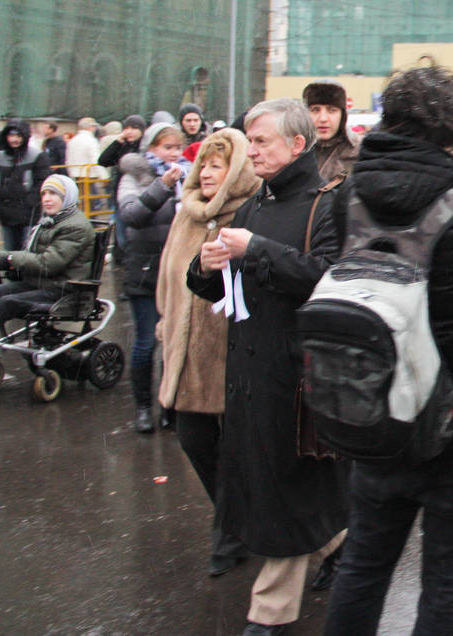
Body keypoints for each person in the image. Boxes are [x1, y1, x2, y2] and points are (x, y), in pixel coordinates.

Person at [322, 66, 453, 636]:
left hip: (375, 425)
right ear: (452, 135)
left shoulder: (345, 203)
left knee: (360, 570)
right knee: (448, 589)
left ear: (387, 121)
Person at [187, 98, 348, 636]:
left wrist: (254, 250)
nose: (249, 151)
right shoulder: (254, 203)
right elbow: (223, 286)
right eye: (249, 141)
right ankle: (340, 540)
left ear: (297, 145)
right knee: (276, 481)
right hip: (249, 375)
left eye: (261, 142)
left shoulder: (327, 203)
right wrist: (206, 266)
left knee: (285, 486)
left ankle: (270, 611)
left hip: (298, 376)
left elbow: (329, 275)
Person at [157, 128, 261, 575]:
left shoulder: (252, 211)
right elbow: (167, 275)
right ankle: (234, 521)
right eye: (203, 165)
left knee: (241, 446)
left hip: (232, 349)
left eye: (217, 165)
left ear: (235, 170)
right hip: (187, 353)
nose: (207, 173)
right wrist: (166, 322)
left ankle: (231, 532)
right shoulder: (187, 214)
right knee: (194, 438)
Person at [0, 175, 94, 378]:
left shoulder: (76, 226)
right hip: (43, 284)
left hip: (64, 290)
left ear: (67, 197)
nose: (47, 198)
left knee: (5, 303)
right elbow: (34, 259)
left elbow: (48, 263)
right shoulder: (51, 221)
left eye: (54, 194)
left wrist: (9, 258)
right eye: (44, 193)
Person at [117, 123, 186, 433]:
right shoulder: (133, 175)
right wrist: (162, 186)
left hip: (177, 272)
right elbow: (131, 214)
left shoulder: (189, 174)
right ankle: (143, 408)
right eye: (165, 147)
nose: (172, 153)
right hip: (144, 270)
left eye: (176, 147)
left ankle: (169, 404)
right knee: (146, 343)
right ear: (150, 147)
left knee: (174, 341)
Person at [0, 118, 52, 250]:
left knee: (28, 249)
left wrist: (31, 202)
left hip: (28, 212)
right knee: (9, 249)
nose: (15, 140)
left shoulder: (37, 156)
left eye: (18, 136)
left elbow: (41, 182)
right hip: (6, 212)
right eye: (11, 135)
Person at [98, 114, 146, 263]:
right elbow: (103, 161)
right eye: (126, 128)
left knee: (137, 234)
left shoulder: (145, 148)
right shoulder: (122, 147)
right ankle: (126, 260)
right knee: (121, 234)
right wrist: (117, 142)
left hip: (140, 197)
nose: (129, 131)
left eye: (134, 128)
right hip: (120, 197)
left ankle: (134, 261)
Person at [303, 79, 360, 181]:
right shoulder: (293, 151)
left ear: (342, 115)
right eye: (315, 110)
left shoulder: (359, 152)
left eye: (332, 110)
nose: (323, 119)